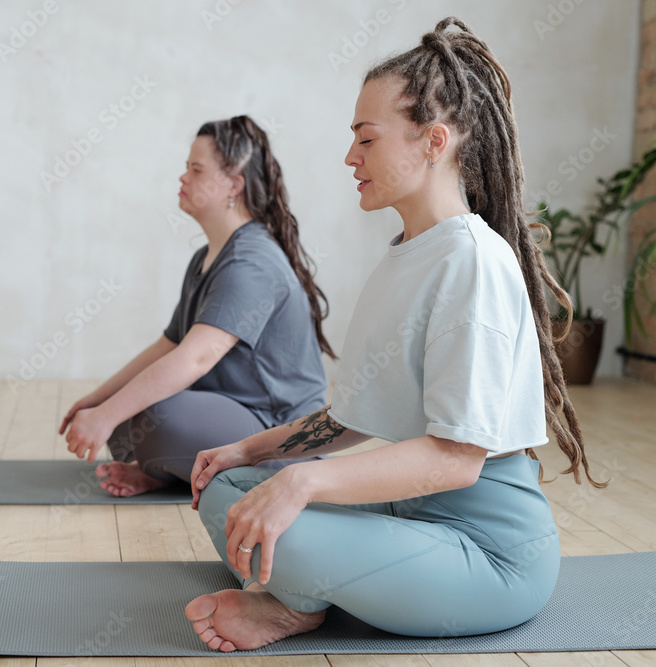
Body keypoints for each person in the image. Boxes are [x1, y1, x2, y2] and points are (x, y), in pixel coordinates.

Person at [183, 17, 608, 652]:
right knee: (228, 489)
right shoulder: (408, 254)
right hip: (409, 517)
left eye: (367, 139)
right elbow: (351, 417)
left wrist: (303, 482)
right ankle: (305, 582)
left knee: (282, 514)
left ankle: (292, 604)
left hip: (487, 554)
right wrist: (247, 452)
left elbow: (458, 460)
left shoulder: (473, 262)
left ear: (434, 141)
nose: (350, 158)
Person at [58, 115, 337, 497]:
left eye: (196, 169)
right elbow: (169, 346)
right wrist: (99, 400)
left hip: (281, 436)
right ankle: (167, 470)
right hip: (233, 411)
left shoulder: (251, 262)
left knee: (152, 415)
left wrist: (107, 415)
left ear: (233, 185)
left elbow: (194, 360)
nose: (182, 178)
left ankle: (167, 468)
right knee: (127, 405)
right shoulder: (206, 258)